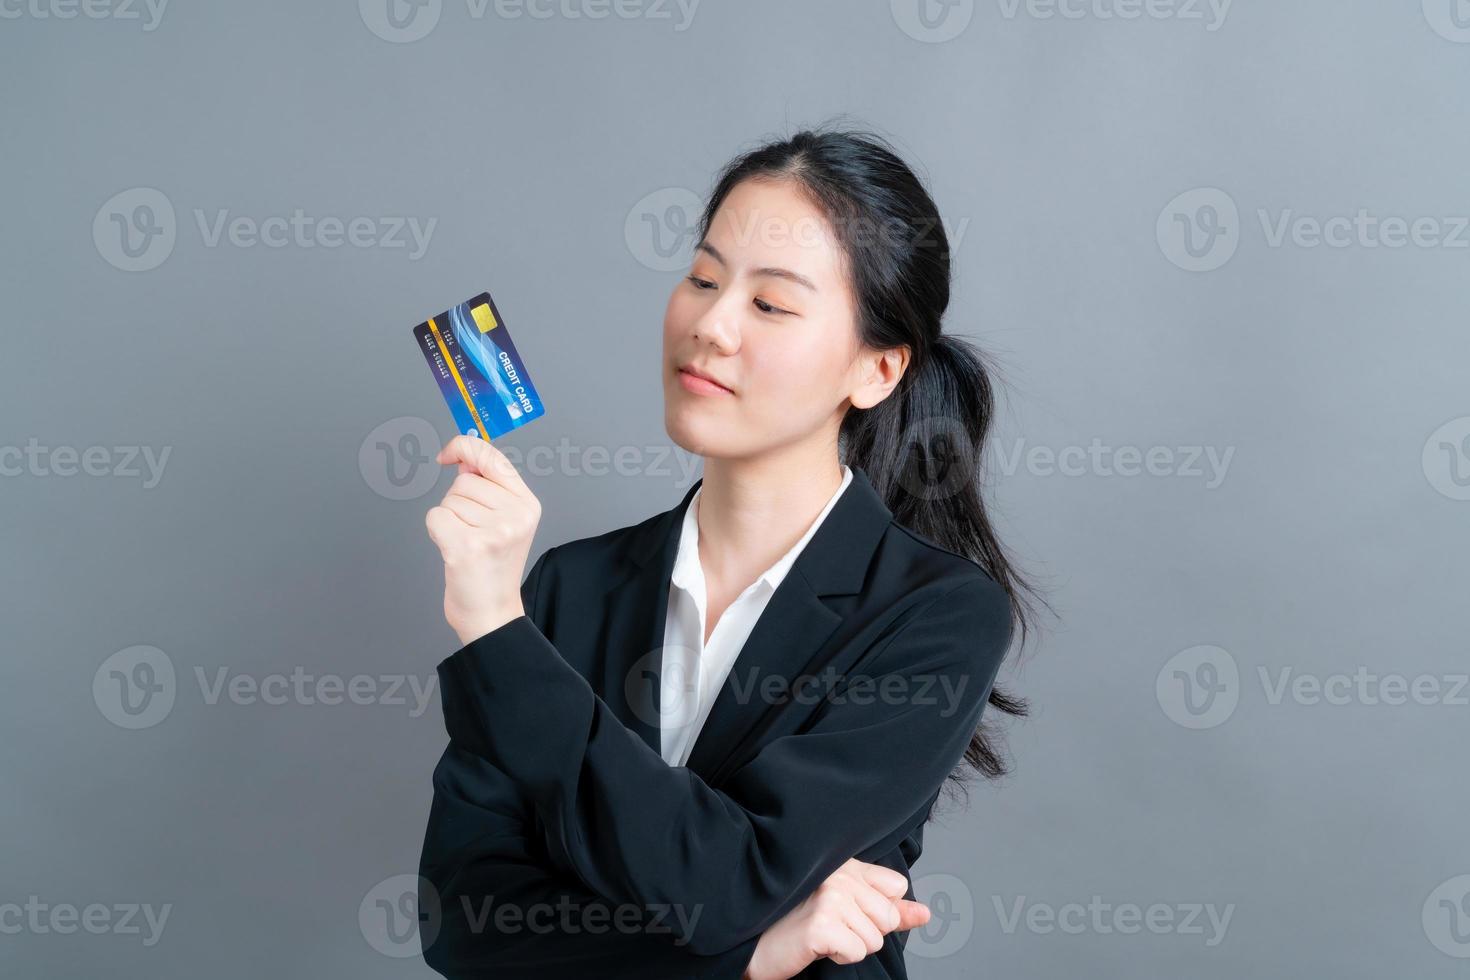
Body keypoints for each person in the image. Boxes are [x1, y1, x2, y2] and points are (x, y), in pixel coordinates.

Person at [417, 125, 1042, 979]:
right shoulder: (572, 586)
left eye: (771, 304)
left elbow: (726, 879)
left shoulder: (936, 614)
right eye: (704, 278)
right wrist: (756, 950)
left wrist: (498, 630)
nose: (710, 323)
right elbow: (465, 923)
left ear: (880, 370)